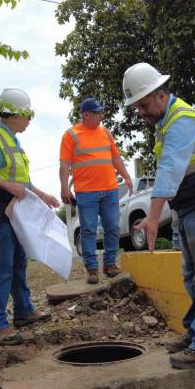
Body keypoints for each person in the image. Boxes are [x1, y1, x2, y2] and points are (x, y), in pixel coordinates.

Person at [123, 63, 195, 369]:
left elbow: (170, 170)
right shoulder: (166, 121)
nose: (141, 112)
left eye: (143, 105)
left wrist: (154, 218)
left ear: (160, 94)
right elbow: (169, 172)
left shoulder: (182, 121)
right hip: (189, 204)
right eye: (136, 108)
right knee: (191, 274)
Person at [0, 88, 58, 345]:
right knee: (2, 266)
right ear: (16, 114)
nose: (30, 120)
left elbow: (22, 181)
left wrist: (41, 195)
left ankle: (24, 311)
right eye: (28, 114)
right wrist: (8, 188)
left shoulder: (13, 141)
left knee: (19, 261)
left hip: (14, 212)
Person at [59, 98, 133, 284]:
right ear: (85, 115)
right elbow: (65, 164)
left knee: (113, 228)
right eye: (97, 112)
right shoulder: (71, 135)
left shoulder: (106, 133)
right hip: (86, 192)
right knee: (89, 230)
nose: (101, 115)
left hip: (109, 189)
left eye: (101, 112)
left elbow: (116, 158)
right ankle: (92, 270)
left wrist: (126, 176)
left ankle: (110, 265)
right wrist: (64, 187)